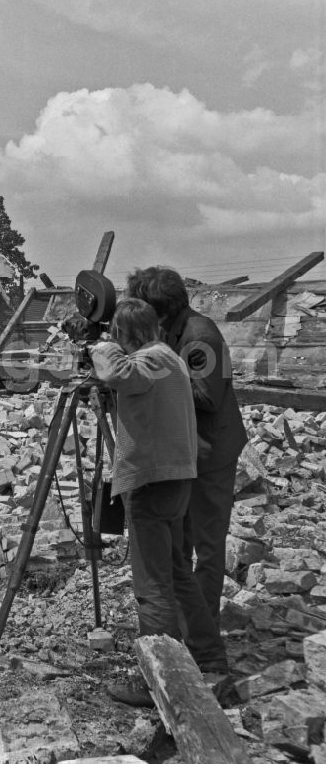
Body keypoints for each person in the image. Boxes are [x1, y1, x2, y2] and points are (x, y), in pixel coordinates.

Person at [90, 298, 228, 706]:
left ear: (126, 335)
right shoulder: (170, 356)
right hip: (176, 479)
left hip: (152, 482)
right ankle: (209, 658)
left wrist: (99, 347)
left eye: (118, 335)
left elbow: (117, 371)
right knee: (178, 574)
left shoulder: (149, 361)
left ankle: (163, 679)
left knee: (152, 587)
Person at [126, 267, 247, 629]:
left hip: (211, 453)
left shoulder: (201, 337)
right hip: (184, 451)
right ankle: (180, 624)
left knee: (207, 547)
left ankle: (202, 631)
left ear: (160, 311)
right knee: (179, 543)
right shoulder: (167, 329)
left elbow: (208, 396)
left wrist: (150, 379)